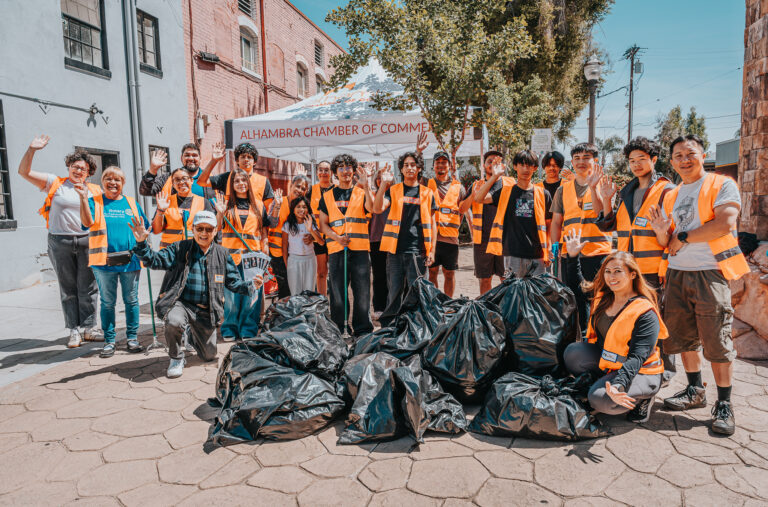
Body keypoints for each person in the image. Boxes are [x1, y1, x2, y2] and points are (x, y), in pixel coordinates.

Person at [649, 134, 749, 435]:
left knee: (716, 339)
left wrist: (682, 237)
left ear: (702, 154)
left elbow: (725, 223)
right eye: (678, 155)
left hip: (711, 271)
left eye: (690, 153)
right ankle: (694, 390)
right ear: (672, 161)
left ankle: (724, 403)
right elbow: (667, 242)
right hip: (677, 273)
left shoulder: (721, 184)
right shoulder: (671, 194)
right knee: (682, 338)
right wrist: (661, 232)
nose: (684, 159)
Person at [130, 211, 263, 378]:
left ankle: (192, 336)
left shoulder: (222, 254)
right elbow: (155, 261)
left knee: (209, 356)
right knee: (173, 321)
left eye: (209, 229)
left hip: (206, 311)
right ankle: (177, 357)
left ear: (215, 231)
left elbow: (234, 282)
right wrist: (142, 243)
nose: (204, 233)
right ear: (193, 229)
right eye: (200, 228)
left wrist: (251, 285)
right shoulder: (180, 248)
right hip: (182, 304)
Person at [594, 137, 677, 385]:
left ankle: (664, 373)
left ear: (653, 159)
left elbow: (670, 234)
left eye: (642, 159)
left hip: (653, 272)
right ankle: (635, 367)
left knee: (657, 321)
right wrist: (607, 200)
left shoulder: (667, 190)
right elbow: (609, 225)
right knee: (631, 321)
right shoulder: (628, 191)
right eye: (632, 161)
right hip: (628, 271)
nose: (636, 164)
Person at [563, 244, 666, 423]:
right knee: (573, 353)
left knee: (599, 400)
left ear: (633, 274)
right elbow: (578, 288)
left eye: (618, 271)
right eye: (608, 271)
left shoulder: (645, 311)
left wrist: (619, 384)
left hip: (641, 371)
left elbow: (637, 357)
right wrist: (572, 257)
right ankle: (604, 382)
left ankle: (644, 397)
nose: (612, 277)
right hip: (611, 363)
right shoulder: (605, 297)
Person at [18, 135, 101, 347]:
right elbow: (24, 172)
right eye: (75, 166)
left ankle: (90, 327)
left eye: (82, 168)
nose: (78, 171)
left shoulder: (95, 190)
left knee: (89, 287)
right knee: (68, 288)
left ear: (89, 172)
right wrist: (32, 150)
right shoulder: (55, 184)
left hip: (86, 241)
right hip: (60, 241)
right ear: (69, 167)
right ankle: (74, 330)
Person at [77, 166, 149, 357]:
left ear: (123, 183)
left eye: (117, 179)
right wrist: (83, 199)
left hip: (131, 261)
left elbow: (144, 227)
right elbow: (86, 223)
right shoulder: (95, 202)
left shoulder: (132, 203)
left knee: (131, 300)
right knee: (108, 302)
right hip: (103, 262)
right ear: (103, 182)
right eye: (108, 178)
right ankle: (110, 341)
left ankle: (132, 338)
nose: (113, 182)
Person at [550, 142, 610, 333]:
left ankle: (597, 339)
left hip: (597, 254)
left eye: (586, 158)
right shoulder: (562, 190)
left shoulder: (604, 185)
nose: (581, 162)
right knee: (574, 299)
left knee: (597, 299)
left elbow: (604, 215)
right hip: (571, 254)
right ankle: (580, 339)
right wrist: (554, 247)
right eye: (577, 158)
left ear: (595, 161)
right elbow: (557, 222)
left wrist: (593, 188)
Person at [214, 169, 281, 341]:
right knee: (231, 296)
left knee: (252, 295)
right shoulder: (226, 204)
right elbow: (217, 228)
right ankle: (229, 327)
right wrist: (220, 212)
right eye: (237, 181)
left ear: (248, 183)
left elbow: (270, 224)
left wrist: (277, 207)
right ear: (232, 184)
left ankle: (248, 328)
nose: (241, 184)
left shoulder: (258, 205)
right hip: (231, 258)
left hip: (252, 257)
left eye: (244, 180)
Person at [318, 154, 374, 336]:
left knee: (362, 291)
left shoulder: (360, 192)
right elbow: (323, 224)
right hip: (336, 250)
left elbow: (372, 208)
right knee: (337, 293)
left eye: (348, 167)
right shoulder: (326, 197)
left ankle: (362, 329)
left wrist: (367, 186)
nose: (345, 171)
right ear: (335, 172)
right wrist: (336, 237)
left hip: (359, 250)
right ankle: (339, 328)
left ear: (353, 170)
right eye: (340, 168)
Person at [373, 152, 437, 306]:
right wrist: (383, 184)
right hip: (395, 252)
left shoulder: (427, 193)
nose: (410, 168)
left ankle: (417, 327)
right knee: (394, 293)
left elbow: (433, 223)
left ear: (419, 168)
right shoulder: (393, 190)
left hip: (418, 251)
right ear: (401, 169)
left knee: (418, 294)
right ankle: (393, 326)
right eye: (406, 165)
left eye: (413, 164)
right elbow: (377, 208)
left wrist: (432, 250)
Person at [474, 150, 551, 277]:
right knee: (515, 294)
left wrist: (547, 250)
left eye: (529, 165)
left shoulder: (543, 194)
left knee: (536, 295)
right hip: (512, 254)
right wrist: (494, 176)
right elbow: (478, 199)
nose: (525, 169)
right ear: (515, 166)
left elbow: (548, 224)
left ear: (535, 168)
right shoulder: (506, 192)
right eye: (522, 165)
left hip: (538, 255)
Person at [426, 151, 472, 297]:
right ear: (433, 166)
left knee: (449, 273)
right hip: (431, 238)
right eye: (438, 162)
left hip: (451, 238)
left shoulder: (459, 188)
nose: (441, 165)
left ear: (449, 166)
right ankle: (435, 303)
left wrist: (472, 232)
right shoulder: (428, 185)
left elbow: (465, 210)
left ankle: (448, 302)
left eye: (444, 162)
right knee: (432, 272)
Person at [470, 151, 515, 294]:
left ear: (502, 165)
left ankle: (507, 310)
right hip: (482, 240)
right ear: (484, 165)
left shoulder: (511, 184)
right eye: (490, 161)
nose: (492, 164)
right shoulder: (478, 185)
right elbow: (465, 206)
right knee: (484, 279)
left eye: (496, 162)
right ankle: (485, 310)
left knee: (506, 279)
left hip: (505, 239)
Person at [268, 174, 310, 298]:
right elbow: (271, 222)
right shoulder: (278, 201)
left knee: (298, 287)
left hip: (296, 252)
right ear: (291, 186)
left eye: (303, 188)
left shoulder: (303, 207)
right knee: (285, 288)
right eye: (297, 186)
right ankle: (284, 315)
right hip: (278, 253)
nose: (300, 190)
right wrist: (277, 205)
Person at [152, 168, 215, 248]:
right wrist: (160, 211)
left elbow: (212, 229)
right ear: (173, 184)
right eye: (177, 180)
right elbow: (156, 230)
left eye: (184, 179)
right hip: (170, 253)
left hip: (195, 251)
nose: (181, 182)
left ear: (191, 180)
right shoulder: (166, 202)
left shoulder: (204, 202)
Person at [197, 142, 274, 206]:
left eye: (249, 157)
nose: (246, 159)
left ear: (255, 162)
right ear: (237, 160)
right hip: (231, 223)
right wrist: (214, 161)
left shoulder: (263, 181)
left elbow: (269, 209)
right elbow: (201, 182)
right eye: (243, 157)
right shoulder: (227, 177)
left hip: (254, 223)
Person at [139, 143, 216, 200]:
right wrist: (153, 170)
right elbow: (145, 191)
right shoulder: (168, 178)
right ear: (181, 158)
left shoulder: (211, 179)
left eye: (194, 155)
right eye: (187, 155)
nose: (191, 158)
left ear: (200, 159)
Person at [283, 195, 324, 295]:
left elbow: (321, 242)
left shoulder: (311, 224)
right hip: (294, 260)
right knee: (295, 293)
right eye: (298, 206)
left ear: (308, 209)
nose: (301, 209)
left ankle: (307, 311)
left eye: (304, 207)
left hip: (310, 260)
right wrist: (287, 264)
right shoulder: (287, 225)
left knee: (308, 292)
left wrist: (311, 230)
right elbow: (284, 246)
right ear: (293, 209)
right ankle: (297, 311)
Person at [309, 160, 333, 296]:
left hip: (334, 237)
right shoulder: (311, 190)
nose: (324, 173)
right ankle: (322, 302)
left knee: (336, 274)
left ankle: (336, 304)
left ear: (331, 172)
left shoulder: (336, 189)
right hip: (318, 238)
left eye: (327, 170)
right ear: (317, 172)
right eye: (321, 170)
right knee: (321, 273)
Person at [368, 167, 390, 318]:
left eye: (384, 178)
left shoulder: (395, 194)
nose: (381, 180)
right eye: (378, 178)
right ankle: (379, 306)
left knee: (393, 275)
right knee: (379, 275)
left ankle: (392, 303)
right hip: (375, 240)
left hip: (391, 239)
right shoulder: (372, 195)